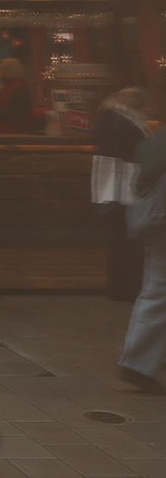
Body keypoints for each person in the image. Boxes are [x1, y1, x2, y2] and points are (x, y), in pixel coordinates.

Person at [118, 115, 166, 393]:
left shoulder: (151, 142)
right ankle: (138, 362)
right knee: (158, 292)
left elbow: (138, 182)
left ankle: (144, 358)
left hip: (155, 223)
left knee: (156, 289)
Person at [93, 87, 151, 302]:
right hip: (125, 192)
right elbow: (136, 157)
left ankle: (118, 287)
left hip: (109, 190)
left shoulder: (109, 120)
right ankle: (130, 288)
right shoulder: (126, 124)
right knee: (130, 243)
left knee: (118, 242)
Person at [0, 57, 36, 133]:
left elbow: (16, 113)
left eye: (1, 70)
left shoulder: (19, 89)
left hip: (14, 131)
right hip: (6, 130)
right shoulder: (8, 87)